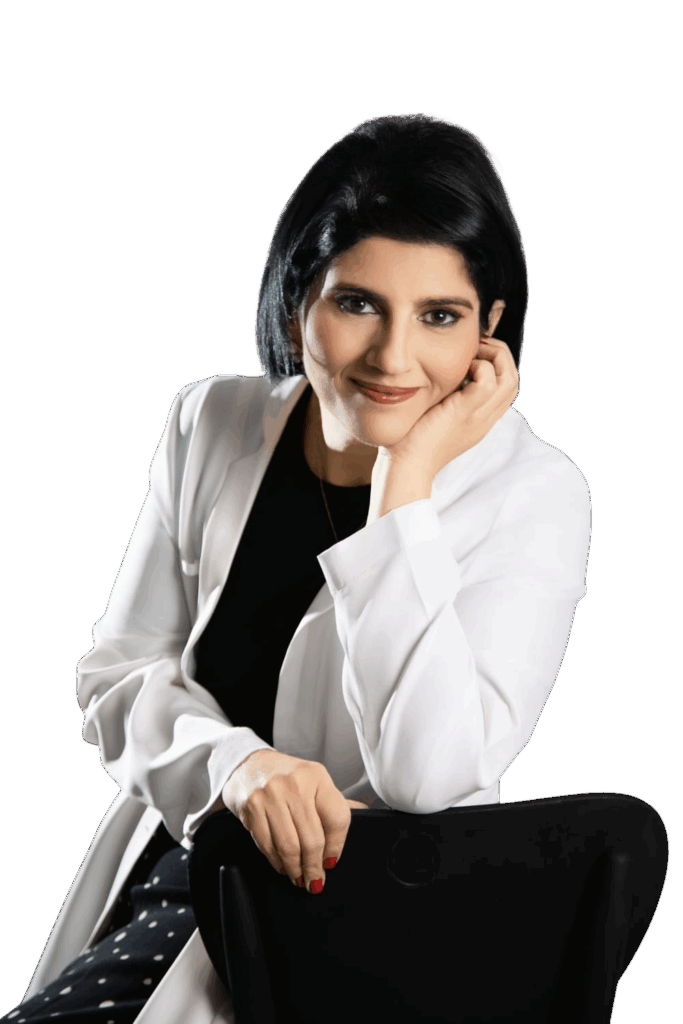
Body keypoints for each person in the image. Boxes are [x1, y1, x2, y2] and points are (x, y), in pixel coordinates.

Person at [1, 111, 592, 1023]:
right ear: (295, 302)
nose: (393, 357)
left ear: (490, 329)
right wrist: (235, 767)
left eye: (439, 316)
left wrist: (403, 491)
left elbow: (425, 778)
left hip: (359, 930)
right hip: (186, 867)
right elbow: (116, 675)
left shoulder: (534, 495)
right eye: (357, 304)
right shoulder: (212, 423)